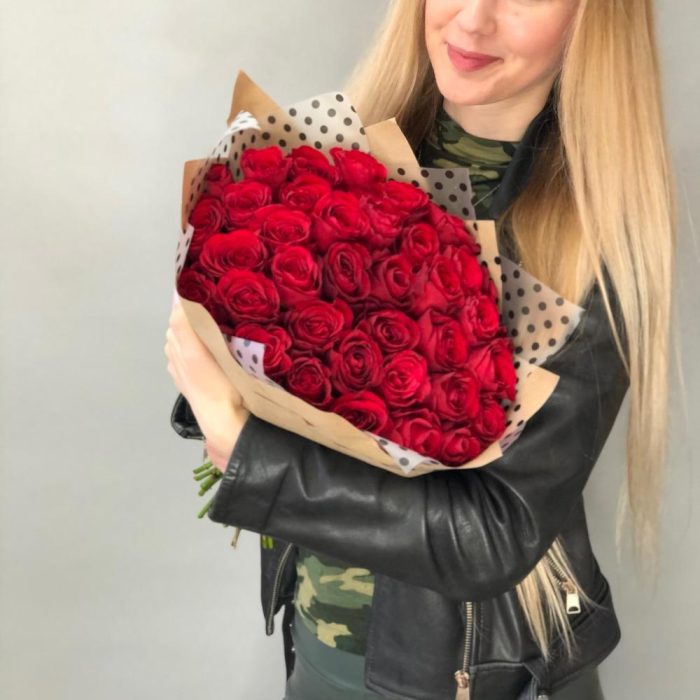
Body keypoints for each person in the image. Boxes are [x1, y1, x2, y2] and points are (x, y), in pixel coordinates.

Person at [165, 1, 677, 698]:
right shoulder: (344, 154)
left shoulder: (591, 246)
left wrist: (250, 456)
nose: (472, 20)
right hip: (315, 653)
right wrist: (218, 361)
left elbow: (491, 535)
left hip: (468, 681)